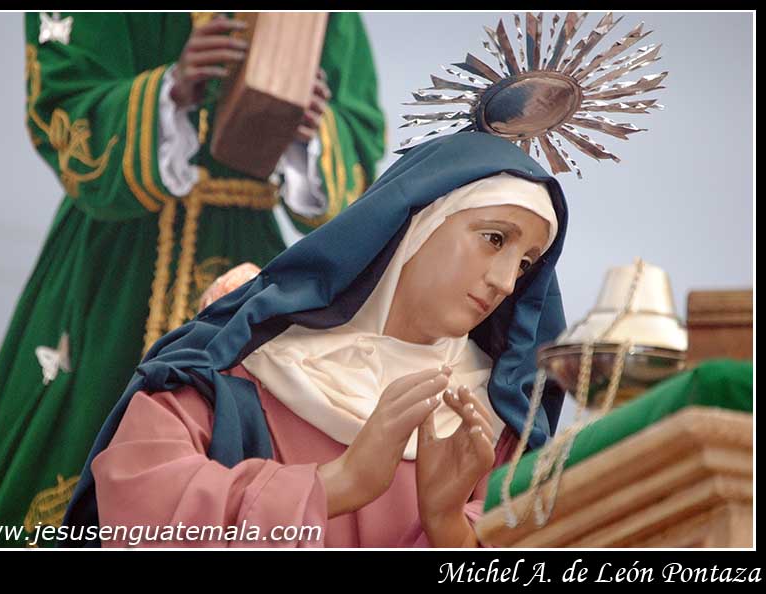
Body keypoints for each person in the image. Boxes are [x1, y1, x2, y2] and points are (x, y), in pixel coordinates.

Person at [0, 11, 384, 547]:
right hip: (111, 264)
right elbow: (61, 97)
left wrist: (311, 130)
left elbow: (360, 135)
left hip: (246, 266)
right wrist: (168, 91)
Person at [62, 131, 569, 548]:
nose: (506, 281)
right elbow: (137, 504)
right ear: (418, 221)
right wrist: (336, 484)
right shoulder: (237, 365)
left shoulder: (492, 424)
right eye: (494, 239)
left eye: (526, 263)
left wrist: (449, 528)